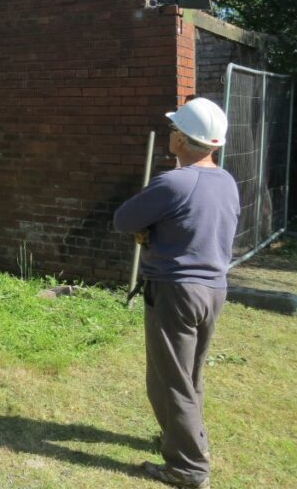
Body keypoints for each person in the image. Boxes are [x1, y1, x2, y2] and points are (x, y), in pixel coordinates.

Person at [113, 97, 240, 489]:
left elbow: (123, 220)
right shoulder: (227, 181)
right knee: (191, 374)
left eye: (174, 130)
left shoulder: (174, 182)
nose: (170, 135)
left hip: (175, 290)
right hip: (213, 290)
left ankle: (187, 467)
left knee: (170, 379)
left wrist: (148, 233)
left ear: (183, 140)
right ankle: (182, 437)